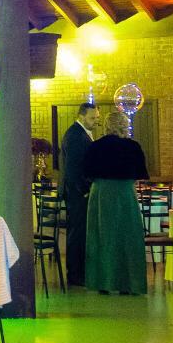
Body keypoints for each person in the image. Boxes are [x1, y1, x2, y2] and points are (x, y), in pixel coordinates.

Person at [83, 111, 148, 295]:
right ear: (124, 126)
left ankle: (103, 282)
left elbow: (86, 171)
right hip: (124, 193)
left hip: (101, 193)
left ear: (106, 126)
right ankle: (129, 283)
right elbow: (140, 172)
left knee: (102, 236)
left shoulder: (95, 146)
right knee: (128, 236)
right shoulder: (133, 147)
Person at [60, 102, 98, 287]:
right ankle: (75, 274)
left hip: (77, 192)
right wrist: (84, 190)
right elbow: (73, 168)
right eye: (92, 118)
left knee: (80, 232)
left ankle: (79, 272)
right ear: (81, 116)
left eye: (97, 118)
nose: (95, 121)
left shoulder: (79, 133)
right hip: (77, 194)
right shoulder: (76, 135)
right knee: (77, 233)